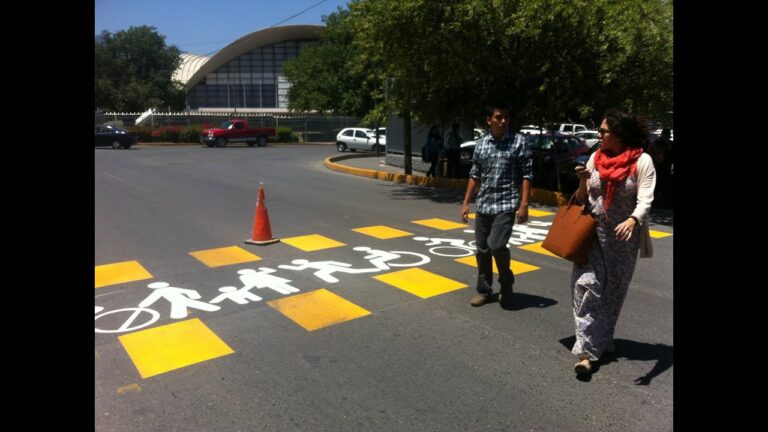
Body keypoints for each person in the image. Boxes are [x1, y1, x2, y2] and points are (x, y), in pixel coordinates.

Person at [571, 109, 656, 375]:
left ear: (618, 134)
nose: (598, 135)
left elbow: (646, 198)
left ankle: (600, 339)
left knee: (611, 295)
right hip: (592, 235)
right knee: (585, 288)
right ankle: (586, 353)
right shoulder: (596, 157)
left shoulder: (642, 161)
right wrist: (583, 181)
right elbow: (583, 197)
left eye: (603, 131)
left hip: (622, 240)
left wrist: (633, 219)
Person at [460, 104, 532, 308]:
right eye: (499, 117)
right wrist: (465, 203)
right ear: (489, 120)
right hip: (484, 204)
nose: (503, 121)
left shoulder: (518, 142)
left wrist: (524, 204)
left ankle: (506, 282)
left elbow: (527, 175)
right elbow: (475, 175)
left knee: (497, 245)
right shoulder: (481, 144)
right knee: (482, 250)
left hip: (506, 203)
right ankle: (484, 290)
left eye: (506, 117)